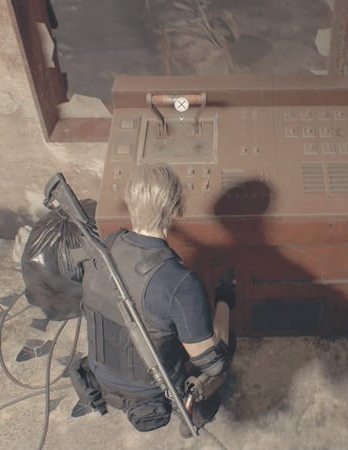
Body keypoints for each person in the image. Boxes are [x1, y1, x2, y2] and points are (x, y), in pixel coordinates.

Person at [71, 163, 236, 438]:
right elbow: (214, 364)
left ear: (130, 203)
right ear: (176, 210)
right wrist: (224, 299)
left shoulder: (105, 247)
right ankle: (198, 412)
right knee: (225, 341)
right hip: (152, 392)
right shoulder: (182, 283)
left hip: (101, 377)